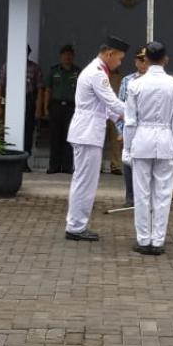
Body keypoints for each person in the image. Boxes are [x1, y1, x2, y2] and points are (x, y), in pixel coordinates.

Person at [63, 36, 129, 242]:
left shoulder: (96, 71)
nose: (120, 63)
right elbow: (113, 103)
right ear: (109, 54)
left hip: (87, 132)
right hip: (87, 133)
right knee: (85, 182)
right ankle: (76, 226)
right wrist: (139, 115)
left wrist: (121, 121)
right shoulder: (97, 74)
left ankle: (76, 224)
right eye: (119, 58)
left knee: (84, 181)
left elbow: (107, 108)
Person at [121, 42, 173, 255]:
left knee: (142, 193)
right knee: (163, 194)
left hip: (142, 139)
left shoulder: (135, 84)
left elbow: (130, 121)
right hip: (166, 139)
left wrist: (127, 148)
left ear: (146, 59)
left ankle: (143, 239)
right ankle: (158, 241)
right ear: (165, 59)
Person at [0, 45, 43, 171]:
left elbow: (40, 89)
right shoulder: (7, 66)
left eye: (25, 52)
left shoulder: (34, 68)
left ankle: (24, 161)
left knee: (27, 132)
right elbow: (0, 86)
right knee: (10, 130)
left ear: (28, 53)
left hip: (28, 99)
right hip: (12, 99)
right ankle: (10, 160)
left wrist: (38, 108)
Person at [116, 48, 151, 207]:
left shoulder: (156, 80)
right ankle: (130, 197)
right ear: (135, 61)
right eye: (140, 60)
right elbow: (120, 107)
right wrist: (120, 131)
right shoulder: (127, 80)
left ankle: (146, 199)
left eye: (146, 60)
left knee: (148, 165)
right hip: (131, 128)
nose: (143, 63)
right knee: (129, 163)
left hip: (149, 128)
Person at [44, 44, 79, 174]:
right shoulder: (54, 71)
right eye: (65, 54)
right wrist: (45, 108)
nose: (67, 57)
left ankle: (67, 166)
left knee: (70, 137)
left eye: (70, 54)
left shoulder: (78, 72)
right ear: (61, 56)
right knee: (55, 137)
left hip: (71, 107)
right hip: (56, 106)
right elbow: (48, 90)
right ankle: (54, 166)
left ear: (73, 56)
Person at [105, 67, 126, 175]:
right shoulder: (101, 75)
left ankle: (115, 165)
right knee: (99, 140)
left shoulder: (120, 78)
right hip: (102, 111)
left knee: (116, 141)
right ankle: (96, 165)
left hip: (116, 112)